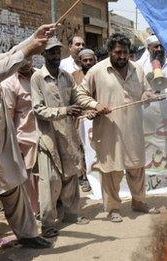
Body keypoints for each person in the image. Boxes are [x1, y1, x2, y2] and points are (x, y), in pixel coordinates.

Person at [0, 24, 56, 260]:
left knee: (14, 189)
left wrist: (33, 38)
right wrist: (28, 51)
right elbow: (2, 70)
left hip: (1, 143)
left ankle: (26, 233)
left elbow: (8, 55)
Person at [74, 33, 160, 223]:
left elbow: (147, 89)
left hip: (133, 129)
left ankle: (139, 201)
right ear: (110, 51)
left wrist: (147, 94)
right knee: (111, 170)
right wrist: (95, 105)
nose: (122, 56)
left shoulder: (137, 69)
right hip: (108, 130)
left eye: (126, 52)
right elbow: (80, 94)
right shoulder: (97, 71)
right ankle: (113, 208)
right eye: (118, 52)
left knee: (136, 167)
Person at [31, 37, 89, 238]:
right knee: (51, 181)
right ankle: (47, 223)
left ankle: (72, 214)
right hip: (48, 136)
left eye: (57, 52)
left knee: (71, 175)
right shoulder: (37, 78)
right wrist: (65, 110)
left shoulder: (66, 76)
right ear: (43, 55)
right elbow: (38, 109)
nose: (55, 56)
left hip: (67, 133)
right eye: (51, 52)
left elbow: (77, 98)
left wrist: (92, 106)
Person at [1, 59, 40, 214]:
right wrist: (12, 143)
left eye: (28, 59)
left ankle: (47, 206)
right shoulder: (9, 83)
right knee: (29, 176)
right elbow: (8, 116)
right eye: (21, 61)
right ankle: (34, 211)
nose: (25, 63)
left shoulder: (38, 75)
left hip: (44, 133)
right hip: (24, 137)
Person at [72, 48, 97, 193]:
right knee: (83, 149)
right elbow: (73, 98)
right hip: (81, 119)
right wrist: (85, 111)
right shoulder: (73, 76)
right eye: (85, 60)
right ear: (80, 62)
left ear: (95, 60)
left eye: (90, 60)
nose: (88, 62)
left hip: (100, 116)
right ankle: (86, 178)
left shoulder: (100, 73)